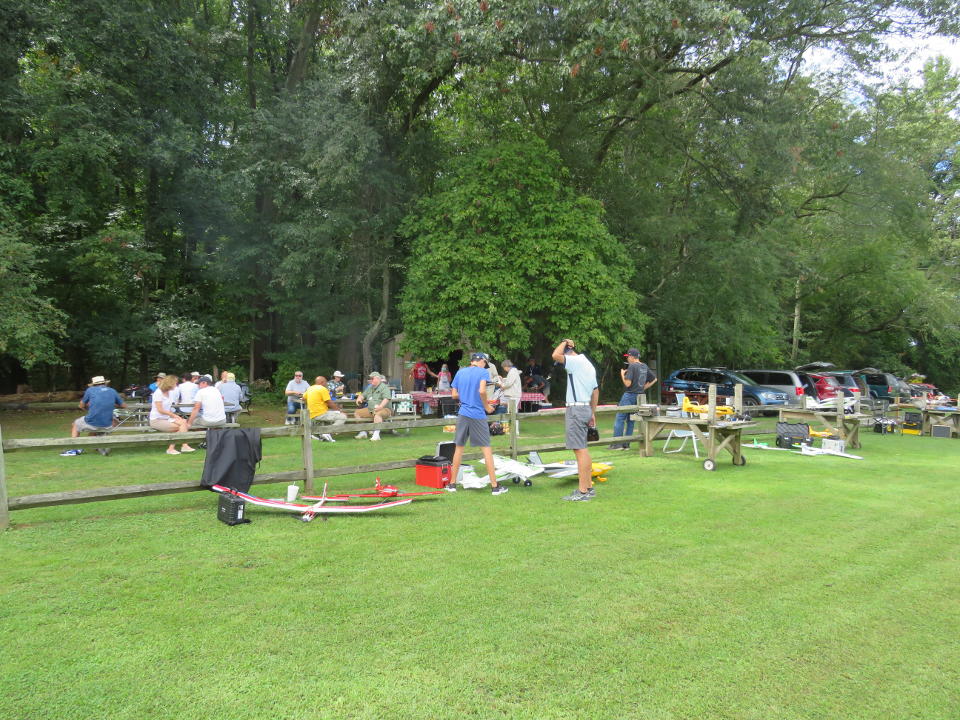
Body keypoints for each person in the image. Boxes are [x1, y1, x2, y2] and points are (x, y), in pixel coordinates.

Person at [448, 353, 508, 496]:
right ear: (481, 361)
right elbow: (482, 391)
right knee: (486, 450)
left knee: (458, 449)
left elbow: (454, 395)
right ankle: (495, 487)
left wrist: (467, 396)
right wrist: (487, 407)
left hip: (463, 413)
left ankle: (451, 484)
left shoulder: (460, 372)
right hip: (477, 414)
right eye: (485, 363)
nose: (485, 366)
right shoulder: (482, 372)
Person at [551, 338, 598, 501]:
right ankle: (589, 487)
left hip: (576, 409)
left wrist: (565, 342)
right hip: (585, 408)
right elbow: (595, 391)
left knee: (579, 450)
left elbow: (555, 355)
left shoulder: (575, 362)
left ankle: (582, 491)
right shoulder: (589, 365)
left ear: (568, 354)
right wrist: (592, 412)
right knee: (583, 448)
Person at [61, 375, 126, 456]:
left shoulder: (90, 390)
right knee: (94, 427)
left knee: (75, 424)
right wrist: (112, 404)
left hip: (94, 422)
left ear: (94, 384)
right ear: (104, 383)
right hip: (108, 424)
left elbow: (81, 405)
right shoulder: (112, 391)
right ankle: (94, 445)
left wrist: (87, 407)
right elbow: (124, 406)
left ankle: (74, 448)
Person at [611, 348, 658, 450]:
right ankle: (626, 445)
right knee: (631, 421)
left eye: (628, 357)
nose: (627, 358)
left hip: (629, 395)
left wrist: (622, 375)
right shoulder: (644, 366)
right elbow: (654, 379)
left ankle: (616, 445)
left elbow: (628, 383)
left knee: (620, 418)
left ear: (632, 357)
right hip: (640, 396)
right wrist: (643, 388)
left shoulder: (632, 366)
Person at [150, 374, 195, 455]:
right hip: (156, 420)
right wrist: (174, 416)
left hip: (166, 418)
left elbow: (169, 407)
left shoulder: (170, 393)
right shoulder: (158, 393)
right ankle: (177, 447)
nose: (176, 385)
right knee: (181, 427)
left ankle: (182, 447)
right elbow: (160, 410)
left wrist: (176, 418)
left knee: (183, 422)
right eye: (175, 383)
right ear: (170, 383)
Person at [303, 375, 347, 442]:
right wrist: (339, 411)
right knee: (343, 417)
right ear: (322, 382)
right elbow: (329, 402)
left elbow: (304, 398)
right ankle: (327, 433)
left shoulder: (310, 388)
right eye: (326, 382)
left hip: (311, 414)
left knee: (331, 416)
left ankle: (321, 434)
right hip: (320, 413)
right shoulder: (322, 389)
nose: (327, 384)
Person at [354, 372, 393, 441]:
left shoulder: (384, 387)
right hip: (371, 409)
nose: (371, 380)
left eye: (372, 378)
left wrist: (380, 406)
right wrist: (359, 398)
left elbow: (386, 399)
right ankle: (363, 432)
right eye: (370, 378)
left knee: (378, 414)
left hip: (385, 409)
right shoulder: (370, 387)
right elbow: (363, 395)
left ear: (378, 379)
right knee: (357, 413)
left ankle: (376, 434)